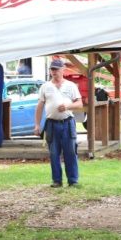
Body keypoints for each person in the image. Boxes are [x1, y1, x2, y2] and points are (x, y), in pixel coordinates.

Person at [34, 59, 83, 187]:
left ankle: (73, 180)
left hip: (67, 123)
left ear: (63, 70)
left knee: (70, 152)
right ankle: (57, 181)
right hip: (51, 123)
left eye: (56, 69)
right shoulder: (45, 87)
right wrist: (37, 125)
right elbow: (39, 106)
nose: (53, 72)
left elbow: (79, 103)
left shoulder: (71, 85)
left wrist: (68, 107)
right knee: (54, 153)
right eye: (52, 69)